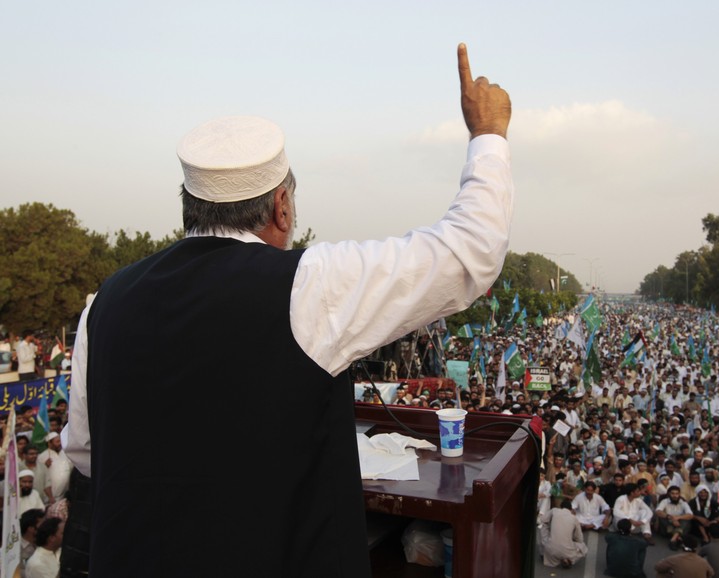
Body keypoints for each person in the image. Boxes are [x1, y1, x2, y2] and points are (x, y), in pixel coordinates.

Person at [65, 44, 513, 578]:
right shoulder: (308, 284)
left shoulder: (104, 302)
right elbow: (471, 252)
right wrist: (487, 134)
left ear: (189, 204)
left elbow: (86, 452)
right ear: (282, 207)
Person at [541, 499, 588, 569]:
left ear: (561, 507)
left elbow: (543, 519)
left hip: (550, 549)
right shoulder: (574, 518)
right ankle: (569, 559)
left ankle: (543, 552)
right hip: (567, 551)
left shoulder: (554, 510)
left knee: (544, 526)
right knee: (583, 547)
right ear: (571, 509)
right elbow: (579, 539)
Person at [614, 480, 655, 545]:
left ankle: (647, 534)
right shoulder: (621, 499)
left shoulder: (638, 500)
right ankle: (626, 534)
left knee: (644, 511)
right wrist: (630, 519)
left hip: (635, 524)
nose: (640, 493)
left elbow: (649, 511)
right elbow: (616, 512)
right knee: (623, 519)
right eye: (638, 491)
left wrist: (643, 521)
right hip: (622, 524)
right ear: (632, 493)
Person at [655, 485, 694, 549]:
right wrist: (671, 518)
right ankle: (677, 537)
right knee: (662, 516)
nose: (675, 496)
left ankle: (673, 539)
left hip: (679, 525)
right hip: (668, 526)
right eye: (672, 493)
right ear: (668, 494)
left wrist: (678, 518)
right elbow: (658, 511)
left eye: (677, 494)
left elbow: (690, 515)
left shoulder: (683, 503)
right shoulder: (664, 501)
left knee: (686, 519)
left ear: (679, 494)